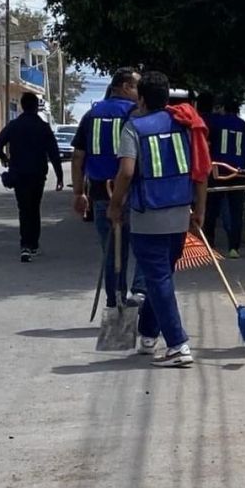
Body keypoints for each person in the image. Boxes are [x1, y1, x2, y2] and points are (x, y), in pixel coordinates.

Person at [108, 71, 211, 367]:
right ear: (166, 97)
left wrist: (116, 205)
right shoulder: (185, 125)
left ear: (140, 98)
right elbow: (200, 172)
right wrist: (200, 210)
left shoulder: (134, 128)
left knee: (158, 278)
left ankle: (178, 345)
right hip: (179, 212)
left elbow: (126, 172)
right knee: (161, 275)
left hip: (147, 216)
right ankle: (148, 334)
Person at [71, 68, 146, 318]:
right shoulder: (135, 115)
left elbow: (78, 156)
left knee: (113, 254)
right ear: (125, 87)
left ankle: (115, 304)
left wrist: (79, 192)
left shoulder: (91, 115)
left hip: (101, 194)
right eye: (137, 86)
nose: (139, 92)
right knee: (147, 246)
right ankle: (138, 292)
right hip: (133, 193)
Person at [0, 92, 64, 262]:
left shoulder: (14, 125)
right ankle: (33, 245)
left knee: (24, 209)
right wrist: (60, 177)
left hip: (19, 174)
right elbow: (54, 153)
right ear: (36, 106)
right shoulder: (43, 127)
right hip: (38, 174)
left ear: (22, 106)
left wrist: (4, 157)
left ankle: (25, 245)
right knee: (34, 208)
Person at [198, 92, 245, 258]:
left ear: (222, 107)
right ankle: (234, 247)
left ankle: (210, 244)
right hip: (238, 171)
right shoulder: (244, 126)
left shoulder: (214, 122)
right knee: (236, 210)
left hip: (217, 170)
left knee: (212, 209)